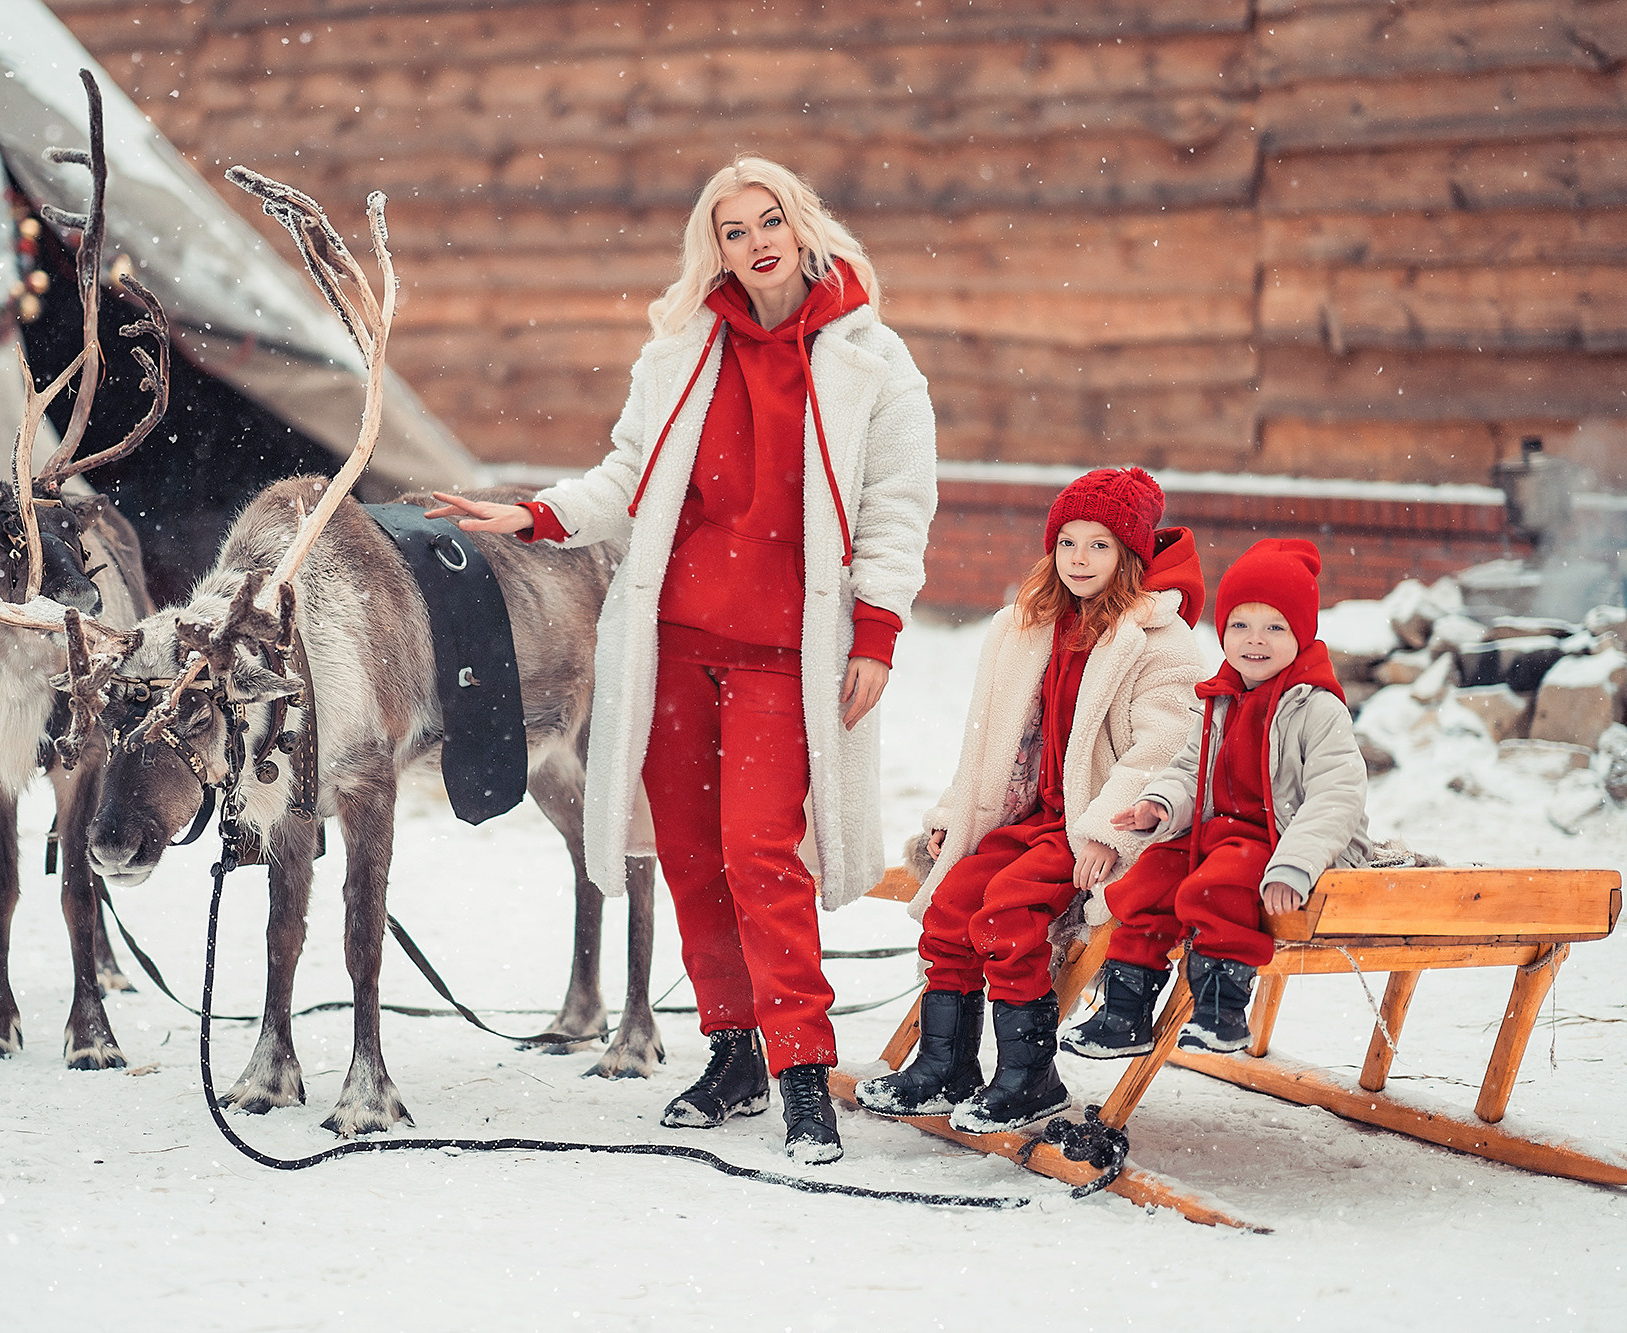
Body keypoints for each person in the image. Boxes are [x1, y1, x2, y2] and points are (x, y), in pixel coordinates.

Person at [428, 158, 936, 1164]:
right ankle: (731, 1051)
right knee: (690, 855)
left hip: (784, 656)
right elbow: (629, 473)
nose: (756, 241)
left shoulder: (873, 363)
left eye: (769, 220)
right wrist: (532, 515)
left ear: (799, 224)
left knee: (759, 854)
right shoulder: (678, 354)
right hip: (671, 647)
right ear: (715, 246)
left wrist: (875, 632)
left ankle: (800, 1071)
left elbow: (895, 510)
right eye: (734, 227)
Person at [854, 467, 1204, 1133]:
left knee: (1007, 911)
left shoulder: (1161, 642)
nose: (1079, 558)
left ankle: (1029, 1076)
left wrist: (1107, 833)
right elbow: (990, 743)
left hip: (1090, 826)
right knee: (954, 901)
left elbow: (1161, 751)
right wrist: (952, 818)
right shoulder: (1027, 627)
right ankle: (945, 1063)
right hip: (1034, 816)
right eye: (1067, 542)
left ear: (1130, 554)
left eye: (1099, 545)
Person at [1062, 539, 1373, 1057]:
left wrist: (1295, 864)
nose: (1255, 640)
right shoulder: (1219, 699)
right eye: (1240, 625)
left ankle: (1220, 1011)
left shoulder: (1316, 708)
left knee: (1218, 882)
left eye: (1275, 627)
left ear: (1303, 634)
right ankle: (1124, 1014)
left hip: (1285, 843)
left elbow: (1336, 798)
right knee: (1150, 879)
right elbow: (1190, 769)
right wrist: (1160, 805)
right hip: (1219, 832)